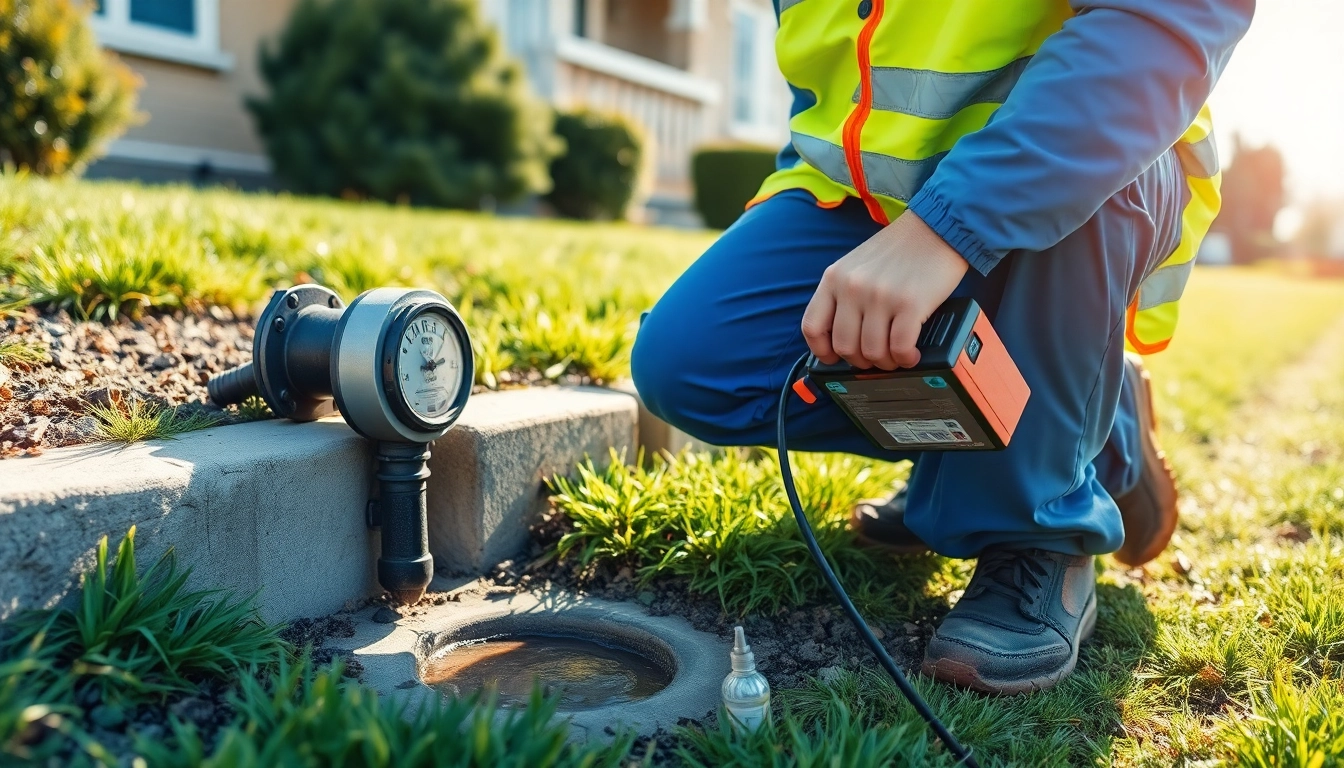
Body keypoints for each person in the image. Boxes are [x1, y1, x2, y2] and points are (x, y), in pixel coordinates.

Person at [632, 0, 1254, 694]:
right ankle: (1089, 424)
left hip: (1084, 161)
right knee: (692, 362)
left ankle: (1038, 530)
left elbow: (1159, 31)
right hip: (865, 193)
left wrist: (946, 230)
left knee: (1088, 165)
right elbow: (829, 76)